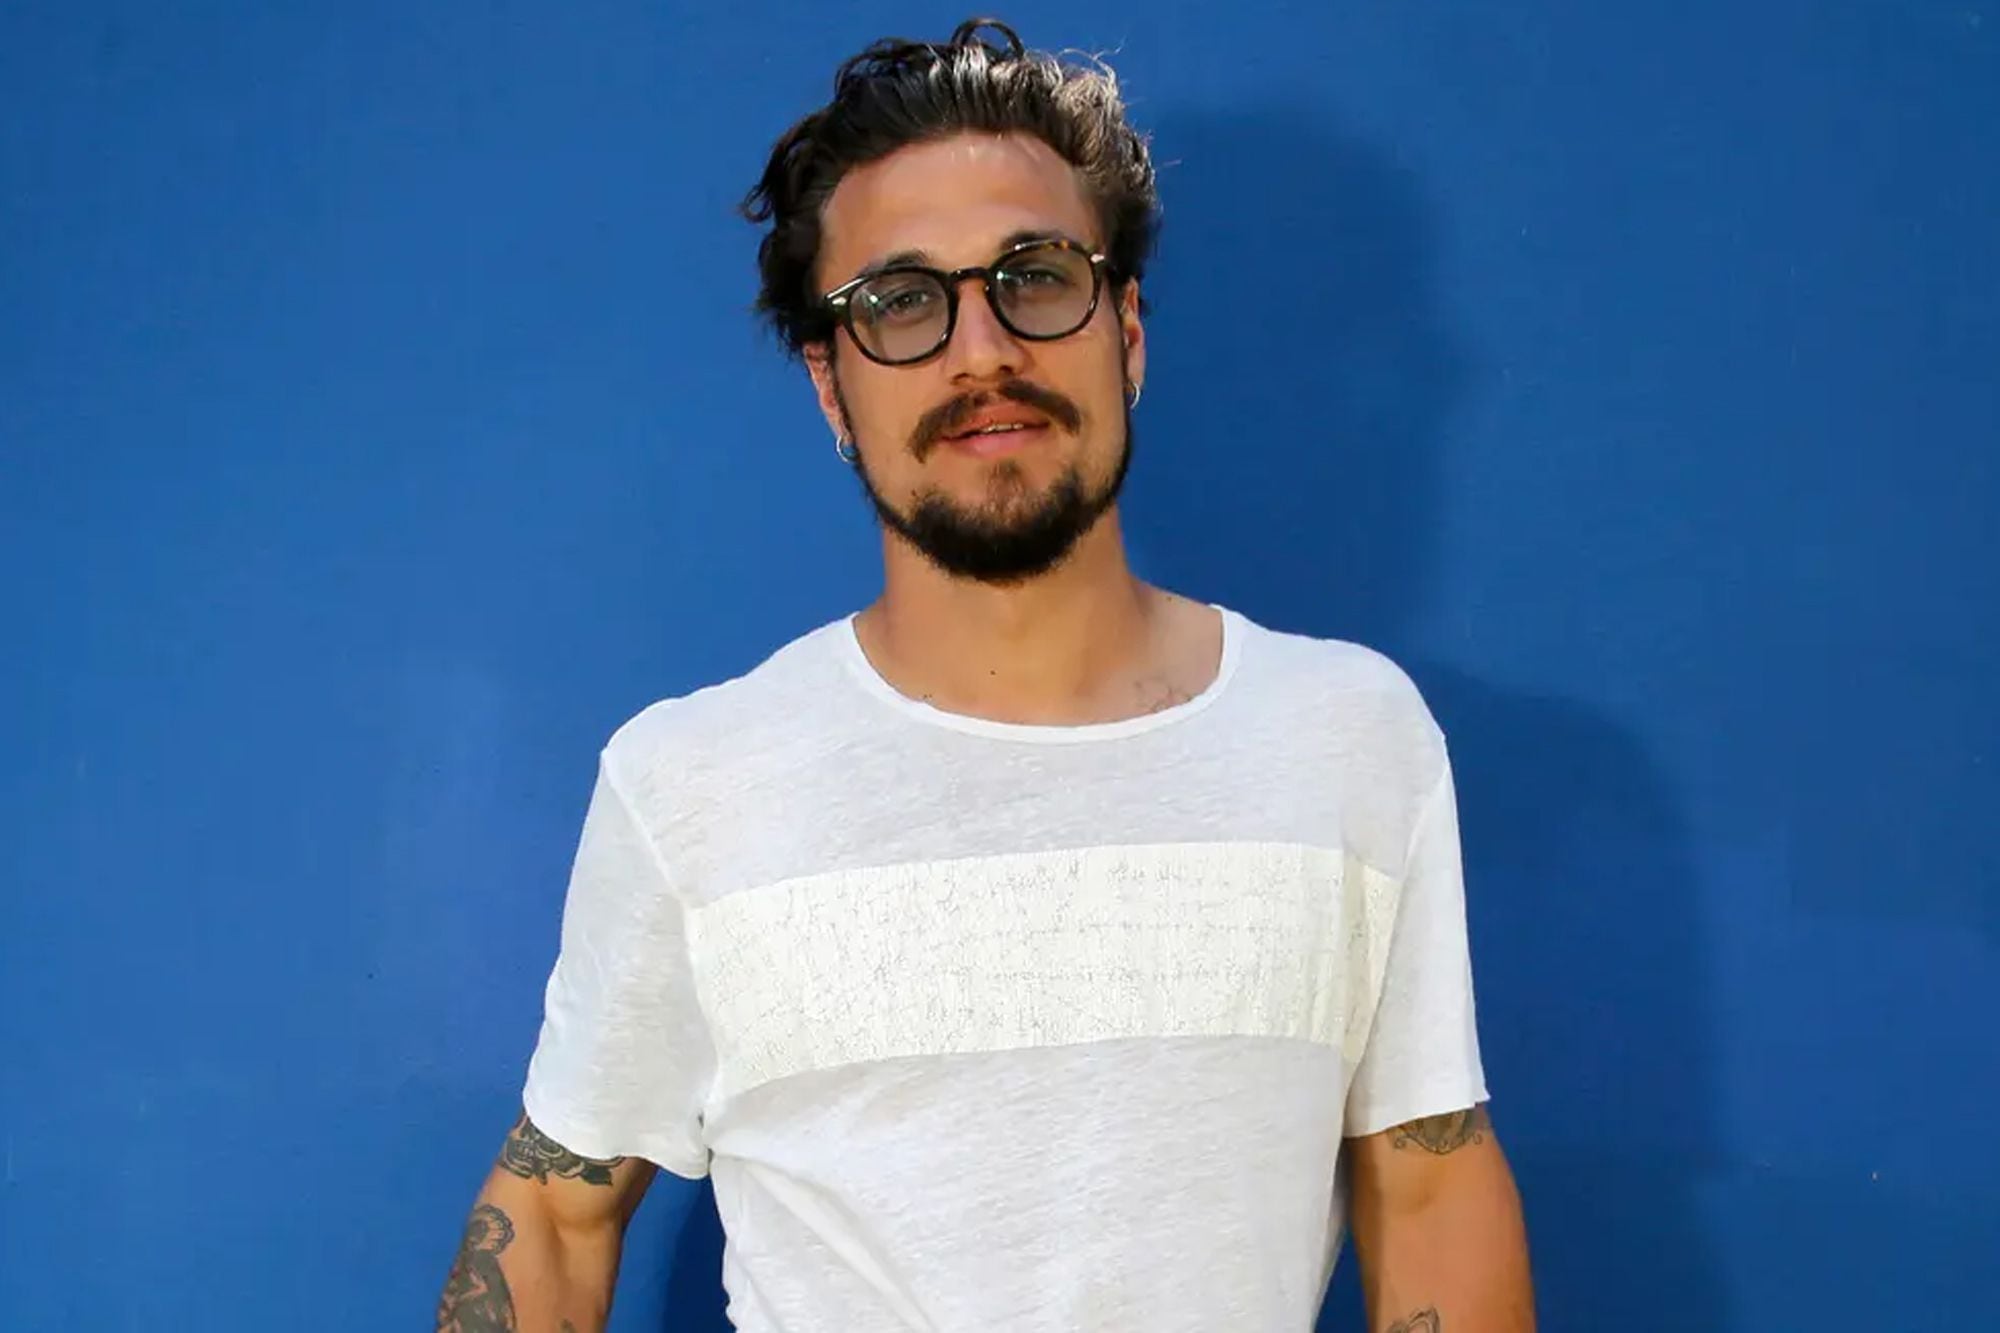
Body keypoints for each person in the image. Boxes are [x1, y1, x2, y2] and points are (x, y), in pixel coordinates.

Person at [437, 17, 1534, 1333]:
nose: (982, 350)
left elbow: (1429, 1187)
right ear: (831, 388)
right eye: (901, 303)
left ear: (1127, 330)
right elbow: (556, 1215)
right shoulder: (695, 783)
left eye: (1036, 277)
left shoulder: (1348, 736)